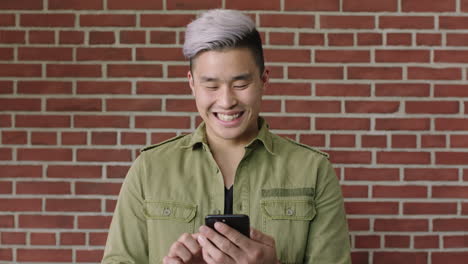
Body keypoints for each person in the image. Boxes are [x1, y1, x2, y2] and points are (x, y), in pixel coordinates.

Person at [101, 9, 351, 264]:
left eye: (240, 85)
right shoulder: (149, 168)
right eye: (211, 86)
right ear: (192, 84)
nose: (227, 101)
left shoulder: (313, 170)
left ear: (264, 80)